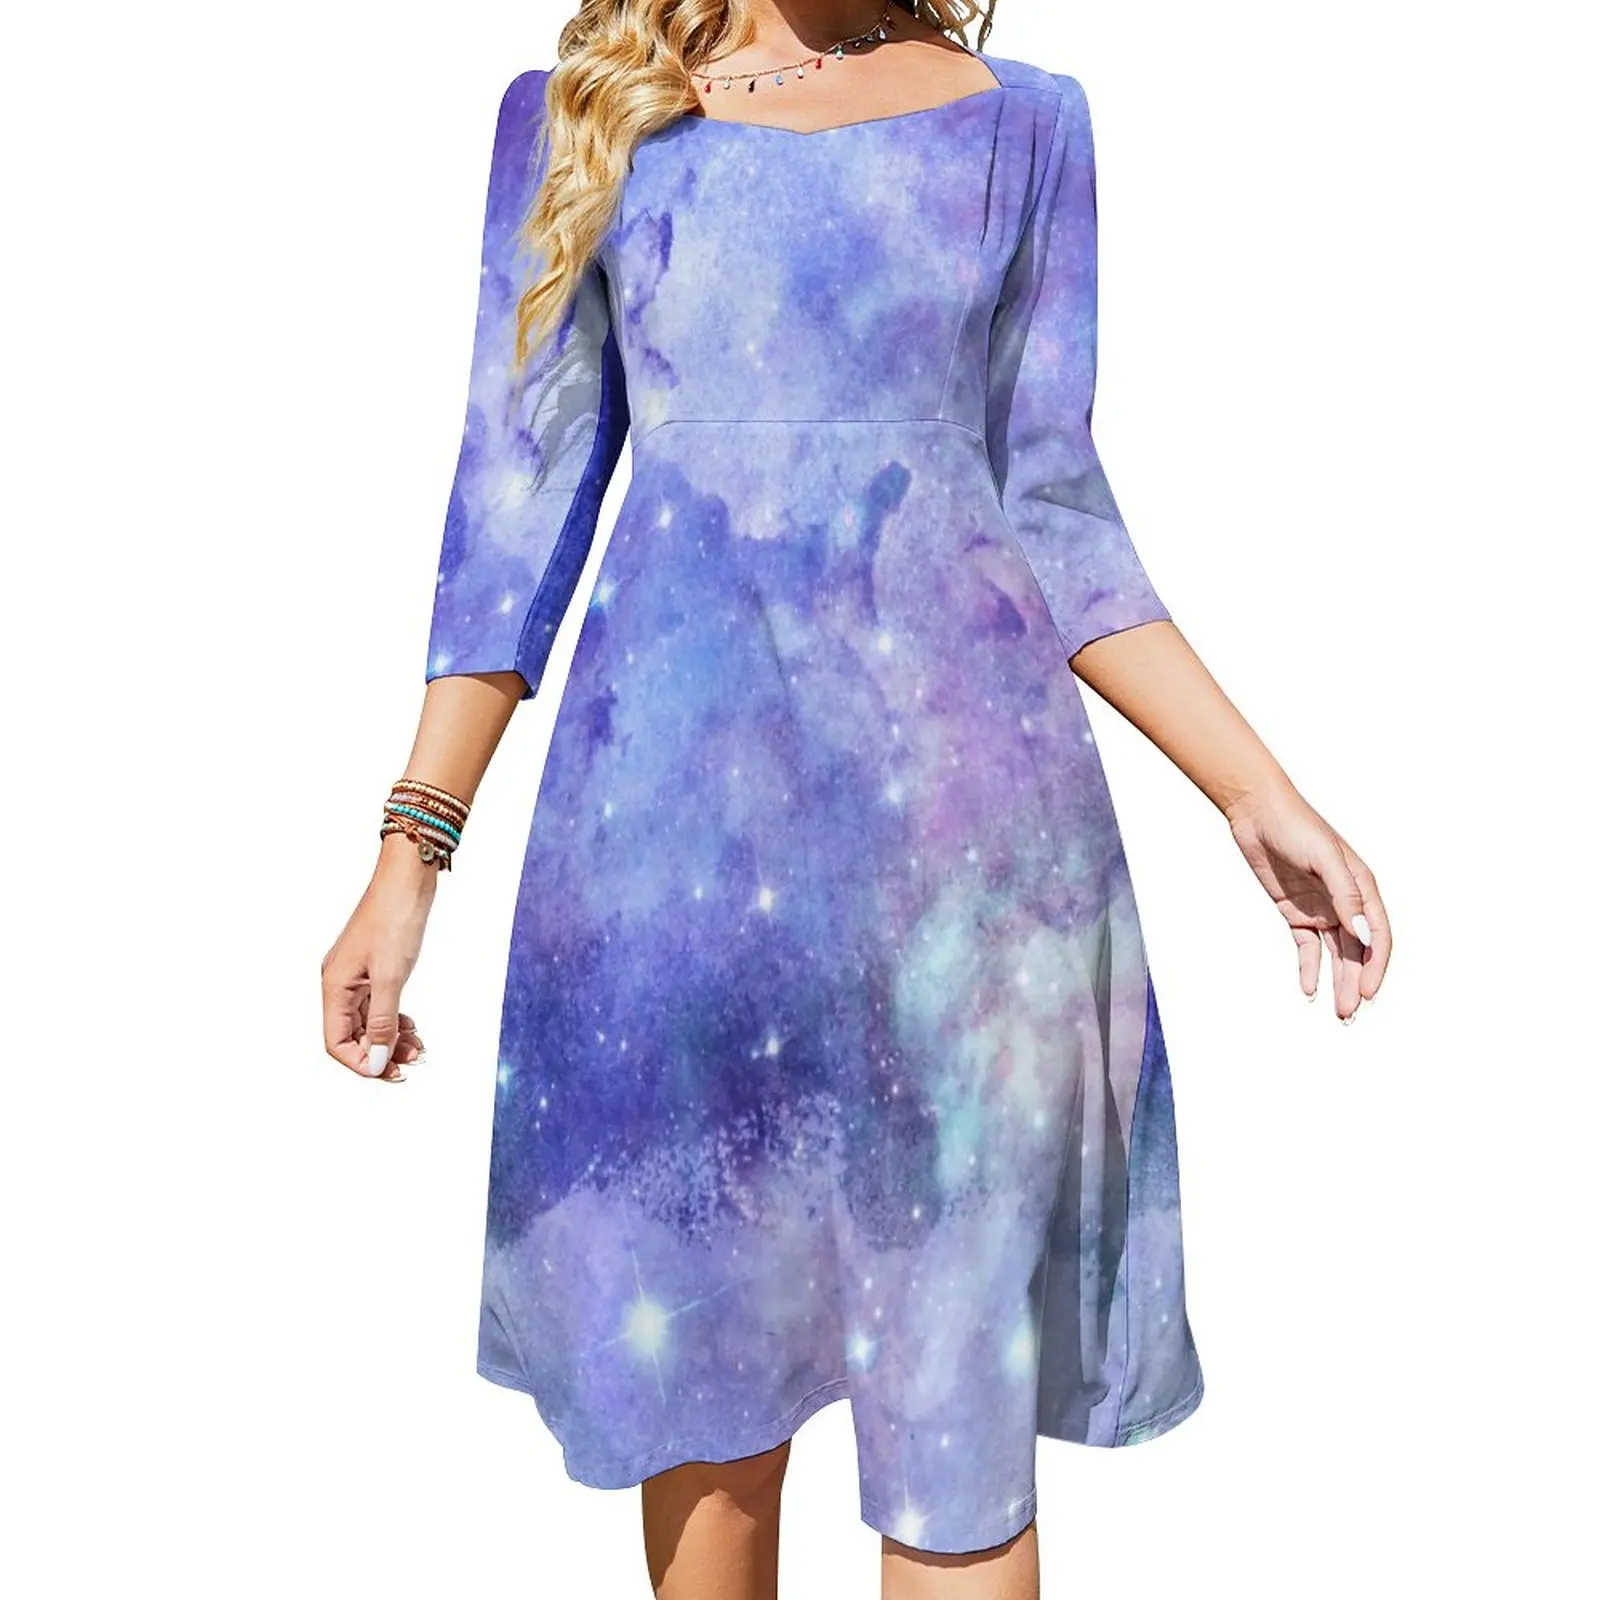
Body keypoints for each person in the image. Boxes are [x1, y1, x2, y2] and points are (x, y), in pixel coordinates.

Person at [321, 3, 1392, 1596]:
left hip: (971, 884)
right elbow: (511, 506)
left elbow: (1053, 505)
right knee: (699, 1409)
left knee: (962, 1440)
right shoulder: (588, 118)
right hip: (670, 868)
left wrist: (1256, 793)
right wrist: (412, 855)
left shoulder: (1023, 125)